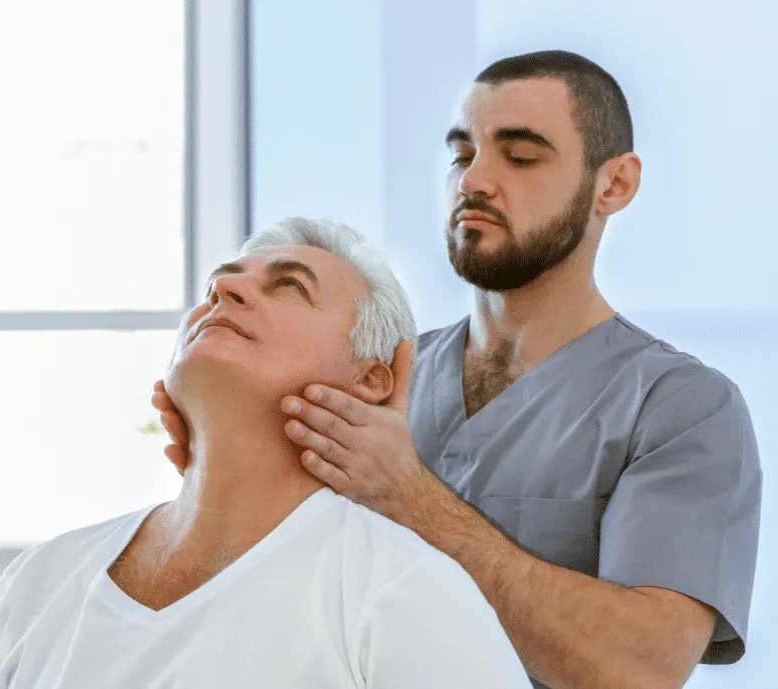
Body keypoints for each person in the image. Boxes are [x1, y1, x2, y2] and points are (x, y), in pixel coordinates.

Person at [153, 51, 763, 689]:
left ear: (613, 185)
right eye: (462, 154)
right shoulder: (368, 376)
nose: (475, 181)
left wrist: (414, 501)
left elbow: (637, 670)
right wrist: (213, 477)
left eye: (520, 155)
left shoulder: (681, 409)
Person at [0, 219, 531, 688]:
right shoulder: (38, 583)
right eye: (216, 286)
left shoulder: (407, 594)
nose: (223, 293)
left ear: (372, 379)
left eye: (289, 286)